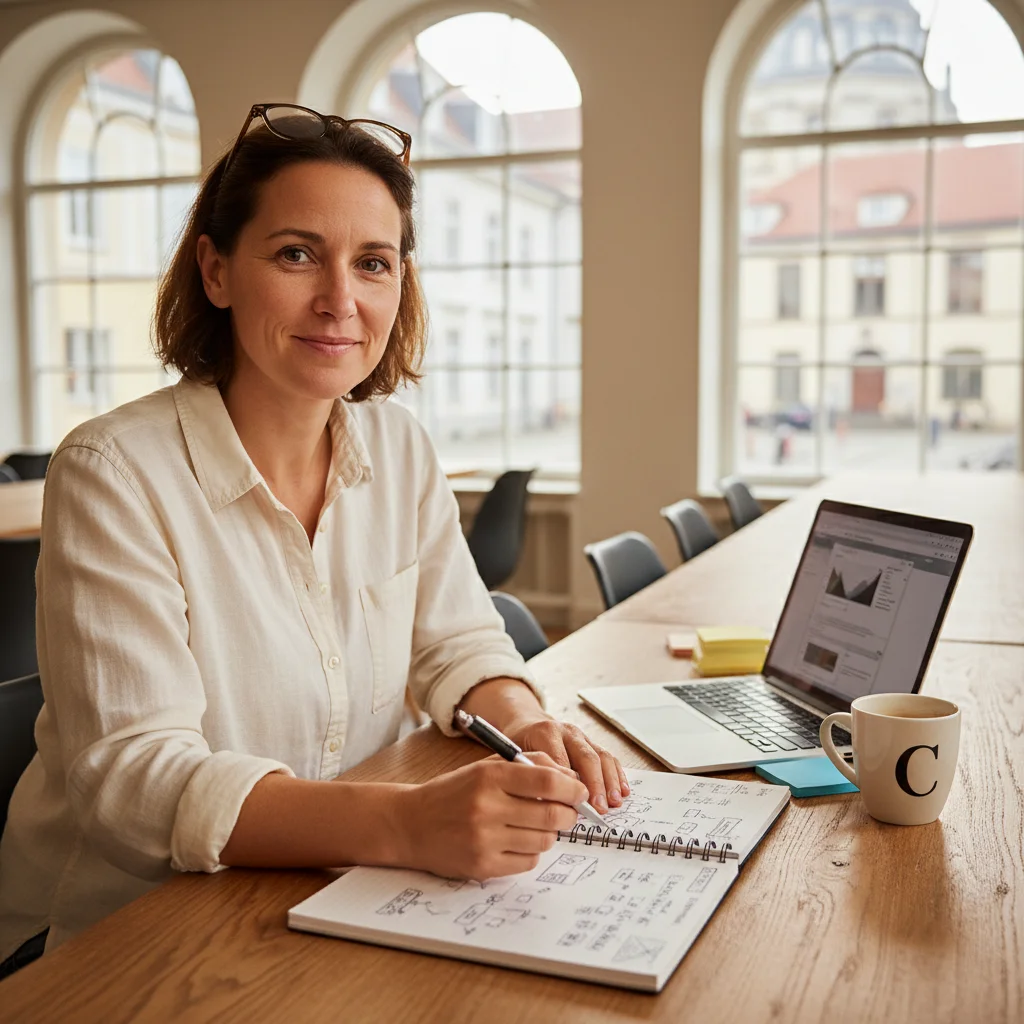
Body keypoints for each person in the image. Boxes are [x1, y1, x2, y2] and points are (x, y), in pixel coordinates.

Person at [0, 104, 628, 973]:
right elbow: (135, 782)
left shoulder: (399, 446)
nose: (341, 300)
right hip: (125, 936)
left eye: (373, 263)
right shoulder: (114, 470)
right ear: (217, 270)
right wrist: (405, 822)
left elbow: (458, 643)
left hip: (333, 894)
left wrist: (526, 723)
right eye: (297, 254)